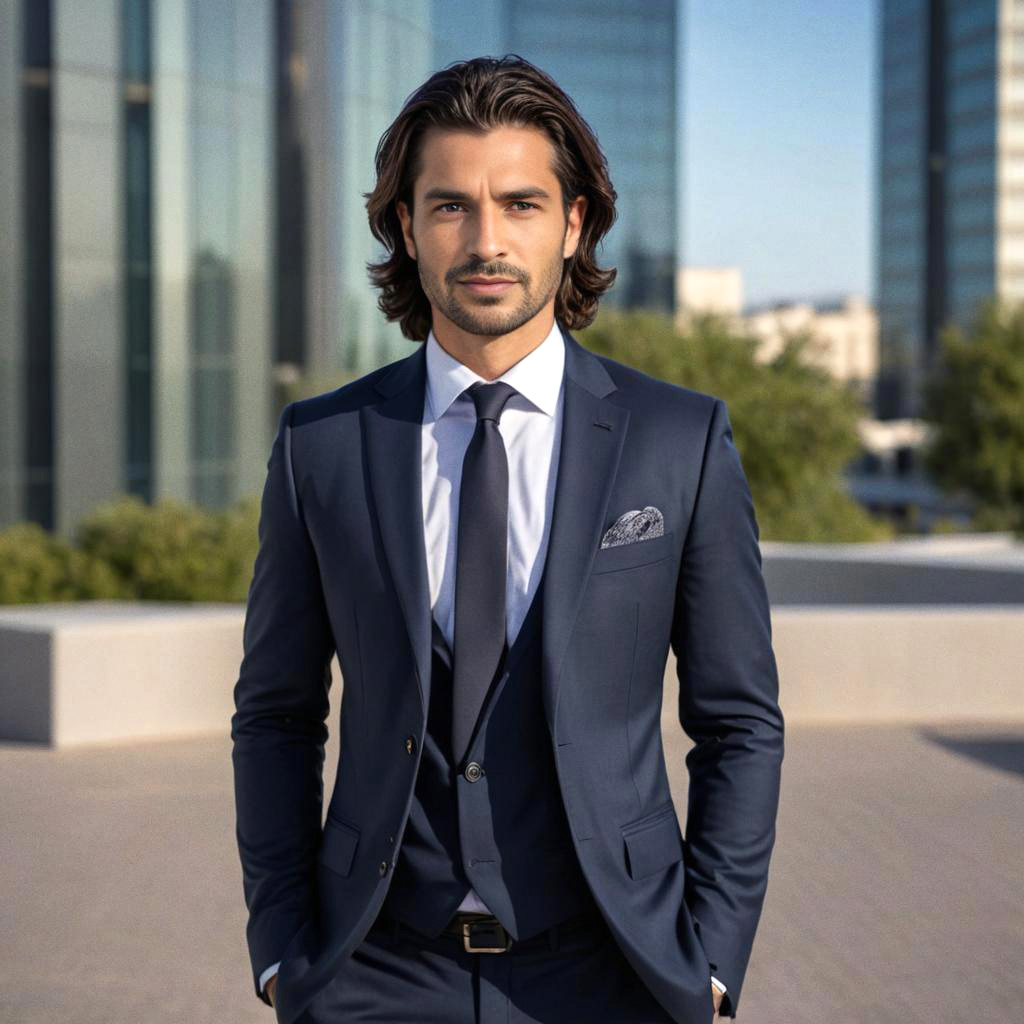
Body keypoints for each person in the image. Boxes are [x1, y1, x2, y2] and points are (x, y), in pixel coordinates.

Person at [231, 54, 784, 1024]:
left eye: (520, 204)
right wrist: (282, 949)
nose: (486, 240)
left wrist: (711, 956)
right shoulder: (321, 445)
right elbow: (276, 714)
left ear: (574, 224)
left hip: (615, 968)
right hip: (372, 972)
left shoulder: (676, 440)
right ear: (407, 226)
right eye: (450, 206)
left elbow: (737, 721)